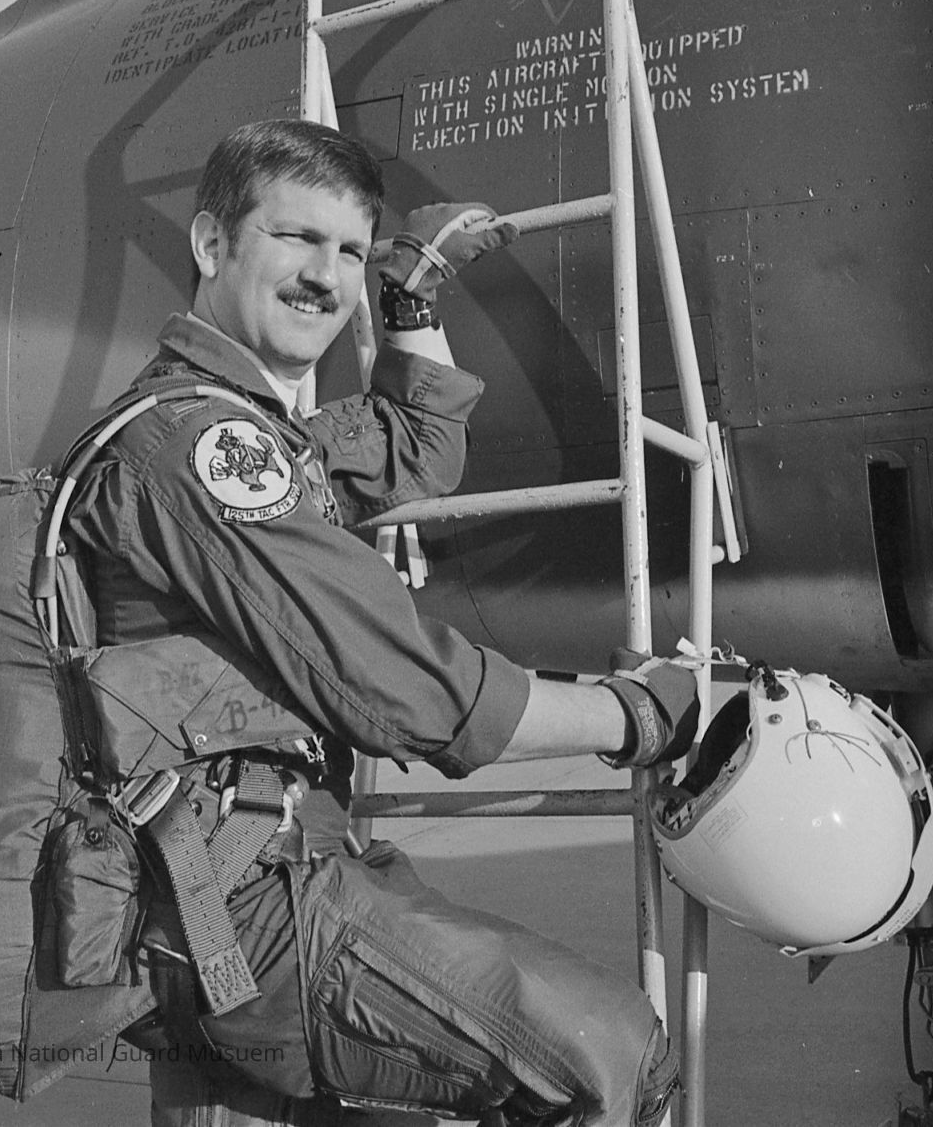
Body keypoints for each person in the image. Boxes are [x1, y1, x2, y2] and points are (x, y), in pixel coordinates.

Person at [66, 118, 695, 1127]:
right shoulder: (203, 449)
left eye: (349, 251)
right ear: (211, 244)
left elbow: (413, 447)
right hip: (238, 916)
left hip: (233, 889)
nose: (327, 276)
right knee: (608, 1056)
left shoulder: (245, 431)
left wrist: (408, 298)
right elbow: (406, 692)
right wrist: (635, 715)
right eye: (295, 238)